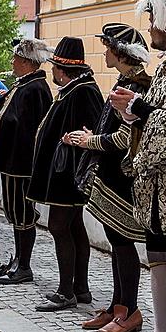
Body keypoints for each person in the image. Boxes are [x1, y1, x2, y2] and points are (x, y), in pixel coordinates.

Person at [112, 0, 166, 332]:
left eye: (155, 19)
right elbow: (155, 115)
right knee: (158, 258)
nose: (150, 27)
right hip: (159, 185)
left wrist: (138, 107)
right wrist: (132, 113)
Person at [70, 24, 151, 332]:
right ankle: (119, 305)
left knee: (122, 243)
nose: (104, 52)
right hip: (111, 174)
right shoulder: (126, 80)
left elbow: (124, 136)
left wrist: (88, 141)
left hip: (123, 177)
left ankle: (129, 310)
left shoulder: (138, 85)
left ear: (120, 53)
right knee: (117, 243)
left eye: (107, 47)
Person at [25, 37, 103, 312]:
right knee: (73, 226)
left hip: (69, 174)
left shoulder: (84, 91)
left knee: (59, 227)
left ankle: (66, 290)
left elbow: (94, 130)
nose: (53, 72)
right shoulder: (73, 89)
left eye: (55, 67)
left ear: (62, 69)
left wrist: (74, 140)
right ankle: (80, 289)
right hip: (61, 173)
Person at [0, 39, 53, 286]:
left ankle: (24, 265)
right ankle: (18, 259)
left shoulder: (35, 88)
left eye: (15, 59)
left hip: (22, 163)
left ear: (27, 62)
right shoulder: (24, 85)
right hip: (13, 162)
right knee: (14, 212)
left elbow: (19, 124)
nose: (11, 63)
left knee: (23, 213)